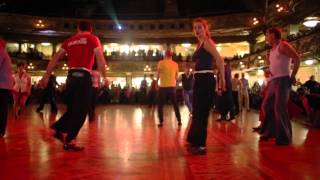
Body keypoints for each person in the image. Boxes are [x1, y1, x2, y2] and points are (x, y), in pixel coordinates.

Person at [39, 21, 107, 151]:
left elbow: (55, 58)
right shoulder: (93, 38)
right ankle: (69, 139)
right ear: (90, 29)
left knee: (73, 108)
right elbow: (100, 58)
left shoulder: (69, 40)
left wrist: (46, 75)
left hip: (70, 77)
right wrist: (104, 76)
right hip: (83, 76)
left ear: (77, 28)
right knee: (82, 110)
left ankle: (60, 130)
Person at [186, 18, 225, 154]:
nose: (197, 30)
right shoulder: (200, 44)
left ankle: (201, 146)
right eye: (195, 28)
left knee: (201, 113)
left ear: (205, 28)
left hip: (206, 80)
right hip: (199, 79)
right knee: (197, 112)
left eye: (200, 28)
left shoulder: (207, 42)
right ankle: (194, 140)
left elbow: (220, 60)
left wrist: (222, 82)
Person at [259, 27, 300, 145]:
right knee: (267, 106)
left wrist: (293, 75)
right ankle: (270, 132)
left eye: (267, 34)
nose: (266, 37)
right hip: (273, 80)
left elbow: (296, 58)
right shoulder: (271, 50)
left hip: (283, 80)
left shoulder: (283, 45)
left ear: (273, 35)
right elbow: (275, 66)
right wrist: (269, 72)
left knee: (279, 108)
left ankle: (284, 138)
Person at [157, 49, 181, 127]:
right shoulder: (175, 64)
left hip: (163, 87)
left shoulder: (161, 63)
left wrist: (157, 83)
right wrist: (175, 84)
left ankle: (161, 122)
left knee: (160, 105)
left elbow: (158, 74)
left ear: (165, 55)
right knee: (175, 104)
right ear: (171, 55)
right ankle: (179, 120)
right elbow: (176, 77)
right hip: (172, 87)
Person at [0, 38, 13, 137]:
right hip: (5, 85)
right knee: (2, 107)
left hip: (2, 85)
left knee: (1, 108)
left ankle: (1, 130)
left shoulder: (1, 51)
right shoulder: (4, 52)